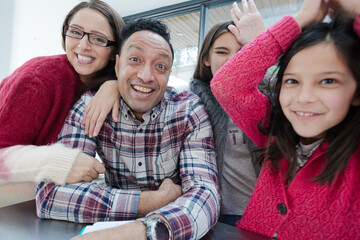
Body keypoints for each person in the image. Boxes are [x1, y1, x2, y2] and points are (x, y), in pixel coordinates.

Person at [36, 18, 220, 240]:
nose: (146, 76)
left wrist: (146, 231)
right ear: (116, 65)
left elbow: (205, 195)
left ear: (169, 74)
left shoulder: (188, 110)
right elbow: (49, 195)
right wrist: (151, 201)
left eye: (160, 66)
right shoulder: (90, 107)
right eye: (135, 59)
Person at [211, 0, 360, 238]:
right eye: (292, 81)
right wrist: (300, 19)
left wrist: (355, 11)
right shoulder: (274, 132)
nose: (304, 97)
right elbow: (227, 85)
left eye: (328, 81)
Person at [0, 0, 124, 188]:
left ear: (115, 50)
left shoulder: (103, 84)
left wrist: (115, 85)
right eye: (75, 32)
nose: (83, 46)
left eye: (98, 39)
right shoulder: (38, 81)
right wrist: (59, 162)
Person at [190, 0, 265, 226]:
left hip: (266, 212)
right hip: (218, 216)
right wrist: (110, 86)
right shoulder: (193, 102)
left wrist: (262, 46)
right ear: (206, 58)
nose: (234, 59)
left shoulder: (269, 98)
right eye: (222, 52)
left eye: (242, 52)